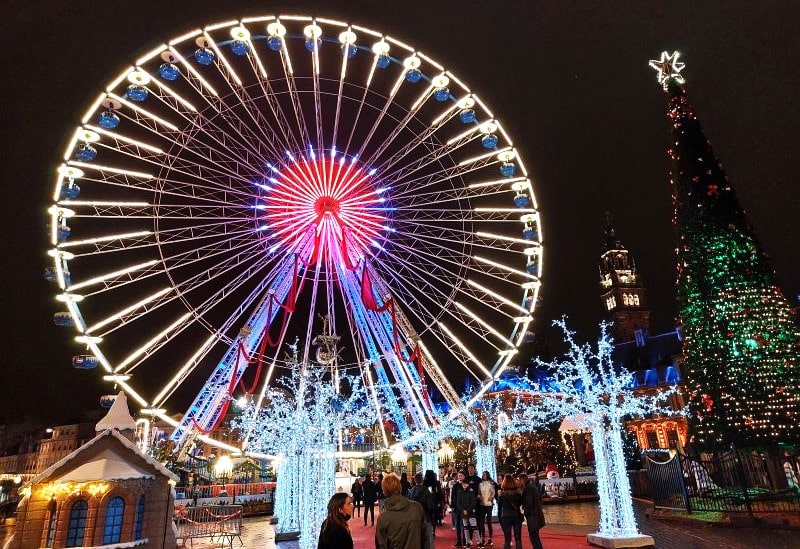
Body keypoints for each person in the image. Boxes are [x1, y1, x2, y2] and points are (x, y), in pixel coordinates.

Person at [375, 473, 431, 549]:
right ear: (400, 487)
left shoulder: (383, 517)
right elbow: (425, 538)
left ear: (384, 490)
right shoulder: (417, 507)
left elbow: (381, 545)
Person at [409, 472, 436, 549]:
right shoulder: (426, 491)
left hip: (414, 517)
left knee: (416, 538)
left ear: (415, 480)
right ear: (422, 480)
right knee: (429, 537)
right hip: (426, 516)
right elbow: (430, 506)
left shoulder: (411, 491)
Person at [497, 474, 523, 549]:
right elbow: (521, 503)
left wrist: (500, 518)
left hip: (505, 516)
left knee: (507, 539)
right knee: (518, 538)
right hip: (516, 516)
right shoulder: (518, 494)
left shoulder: (502, 494)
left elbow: (499, 507)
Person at [519, 474, 544, 549]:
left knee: (533, 534)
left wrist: (526, 512)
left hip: (532, 515)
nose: (519, 481)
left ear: (523, 479)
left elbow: (529, 502)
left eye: (519, 480)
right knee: (535, 534)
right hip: (536, 513)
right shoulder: (532, 487)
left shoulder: (528, 488)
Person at [455, 476, 480, 547]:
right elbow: (458, 503)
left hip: (471, 512)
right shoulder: (460, 492)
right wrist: (463, 510)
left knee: (475, 528)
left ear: (468, 484)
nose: (464, 485)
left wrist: (468, 510)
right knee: (465, 528)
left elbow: (473, 502)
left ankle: (479, 542)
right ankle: (468, 542)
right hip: (463, 513)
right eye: (463, 484)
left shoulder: (471, 492)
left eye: (465, 484)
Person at [477, 471, 496, 546]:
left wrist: (491, 498)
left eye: (485, 474)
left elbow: (493, 492)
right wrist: (479, 496)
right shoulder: (480, 484)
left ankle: (490, 538)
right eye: (483, 474)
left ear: (488, 475)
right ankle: (483, 538)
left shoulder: (491, 483)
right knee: (481, 522)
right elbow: (478, 493)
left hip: (489, 505)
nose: (484, 475)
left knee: (489, 522)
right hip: (482, 504)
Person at [450, 470, 466, 546]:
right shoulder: (455, 486)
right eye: (459, 476)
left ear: (464, 477)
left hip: (464, 509)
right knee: (457, 526)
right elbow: (452, 496)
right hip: (456, 509)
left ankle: (465, 541)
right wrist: (452, 506)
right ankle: (459, 541)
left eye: (461, 476)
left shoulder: (466, 485)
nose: (460, 477)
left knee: (464, 526)